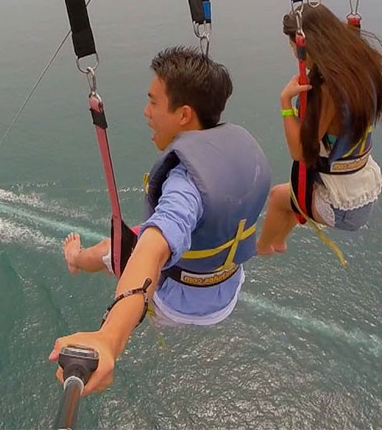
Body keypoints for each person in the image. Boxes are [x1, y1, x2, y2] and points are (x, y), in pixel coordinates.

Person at [50, 46, 271, 394]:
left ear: (184, 115)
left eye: (153, 102)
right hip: (225, 288)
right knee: (142, 234)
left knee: (115, 249)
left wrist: (109, 338)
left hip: (180, 301)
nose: (146, 112)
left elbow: (152, 250)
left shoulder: (186, 185)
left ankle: (75, 259)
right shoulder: (240, 148)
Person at [257, 4, 382, 255]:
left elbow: (299, 152)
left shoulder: (326, 93)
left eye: (294, 49)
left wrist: (285, 104)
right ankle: (278, 241)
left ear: (306, 48)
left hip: (342, 208)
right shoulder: (360, 69)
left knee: (278, 198)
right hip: (361, 191)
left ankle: (262, 247)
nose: (295, 55)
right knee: (290, 195)